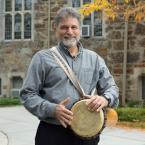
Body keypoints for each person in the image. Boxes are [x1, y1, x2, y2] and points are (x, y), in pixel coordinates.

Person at [20, 7, 119, 145]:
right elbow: (27, 94)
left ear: (80, 29)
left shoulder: (95, 59)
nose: (70, 32)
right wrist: (52, 109)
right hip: (52, 133)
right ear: (56, 29)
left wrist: (105, 98)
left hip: (87, 134)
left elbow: (112, 89)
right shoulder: (42, 58)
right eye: (64, 27)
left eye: (74, 27)